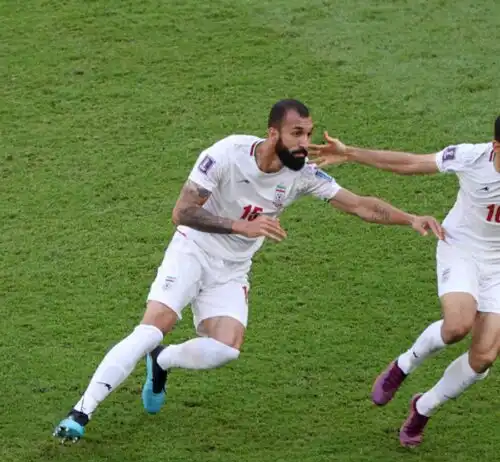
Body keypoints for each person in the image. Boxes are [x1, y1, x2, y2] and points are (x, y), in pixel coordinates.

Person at [53, 99, 443, 442]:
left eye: (308, 133)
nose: (305, 143)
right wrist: (240, 225)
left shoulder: (303, 174)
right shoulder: (226, 153)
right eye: (297, 133)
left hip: (232, 269)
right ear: (272, 132)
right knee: (153, 325)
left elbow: (360, 205)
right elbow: (182, 213)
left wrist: (410, 218)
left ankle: (162, 361)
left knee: (226, 350)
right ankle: (81, 412)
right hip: (192, 251)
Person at [309, 118, 500, 447]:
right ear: (497, 147)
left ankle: (423, 408)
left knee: (483, 357)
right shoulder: (471, 157)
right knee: (457, 326)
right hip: (462, 250)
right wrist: (351, 153)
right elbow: (411, 162)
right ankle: (403, 365)